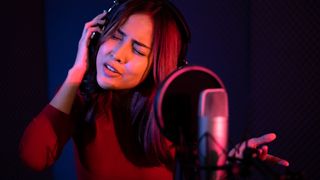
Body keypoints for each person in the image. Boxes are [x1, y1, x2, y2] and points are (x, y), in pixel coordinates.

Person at [19, 0, 289, 179]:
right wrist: (76, 72)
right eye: (115, 36)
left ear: (158, 63)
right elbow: (33, 156)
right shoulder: (78, 97)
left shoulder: (171, 109)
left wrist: (225, 164)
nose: (118, 55)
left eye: (137, 49)